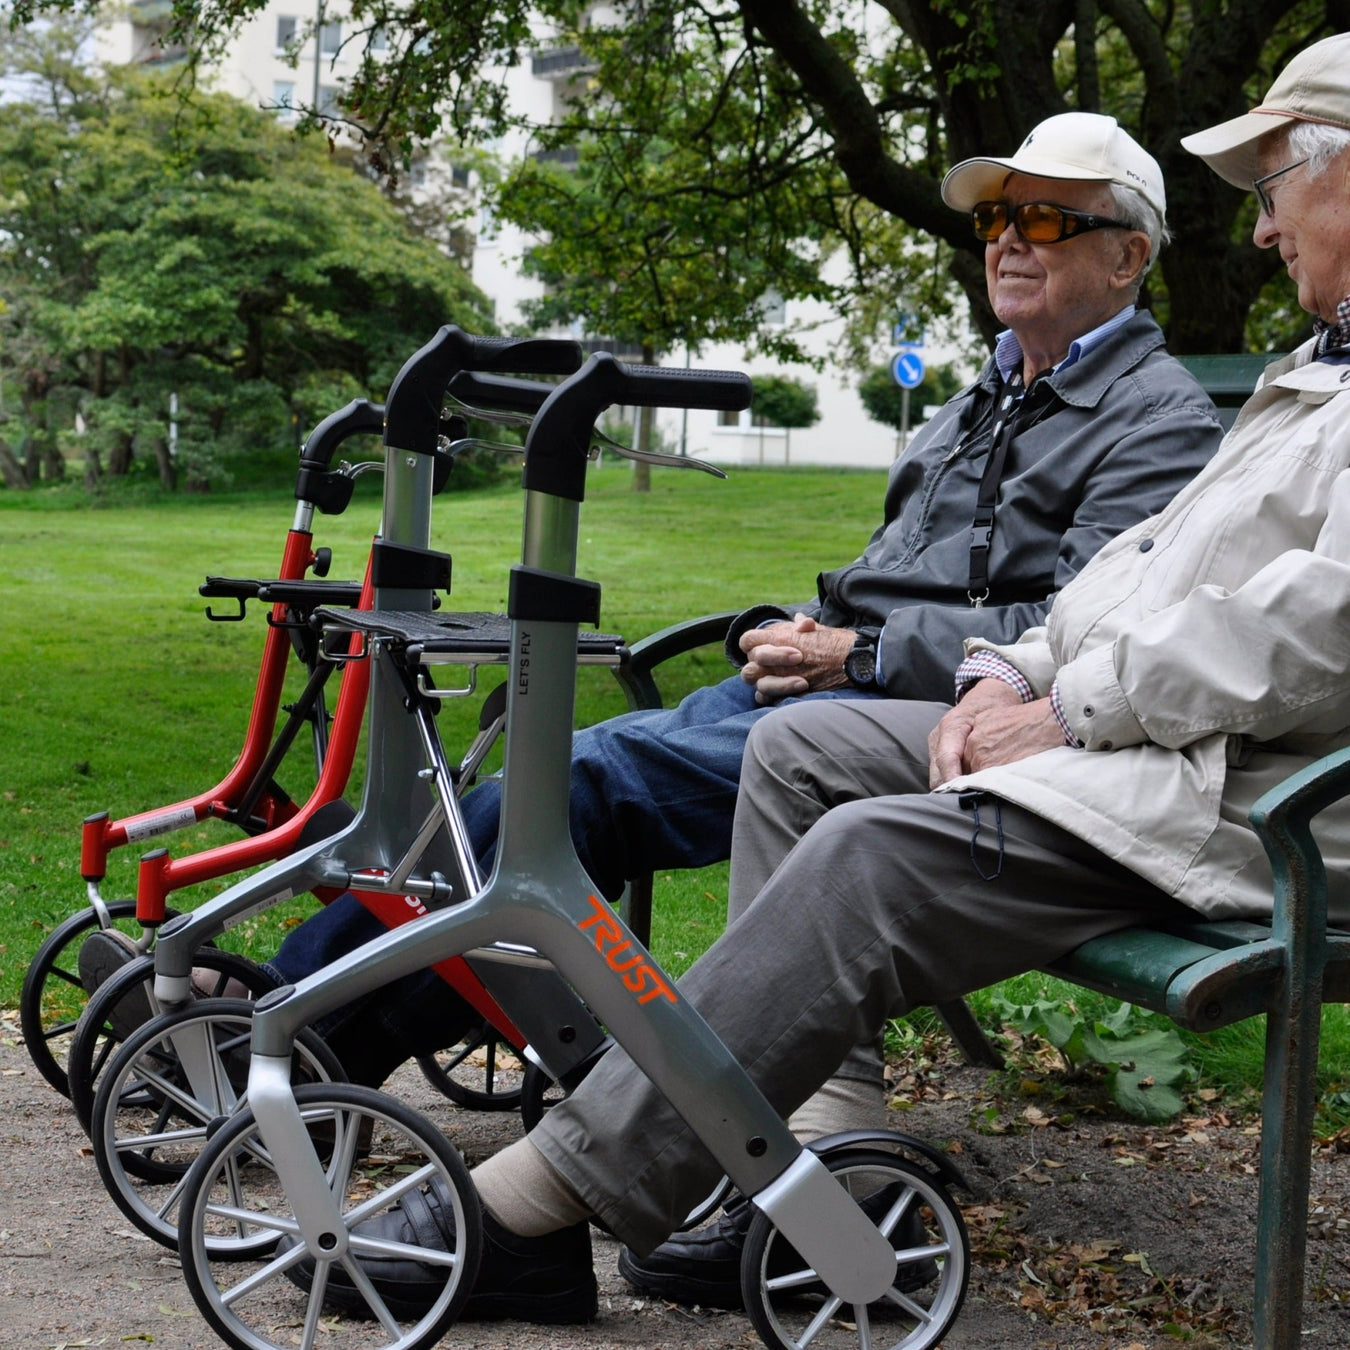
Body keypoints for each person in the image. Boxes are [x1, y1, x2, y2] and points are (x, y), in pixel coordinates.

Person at [279, 32, 1350, 1327]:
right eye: (1000, 217)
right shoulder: (1285, 382)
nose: (1256, 231)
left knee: (830, 844)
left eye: (1272, 182)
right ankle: (802, 1163)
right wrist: (1005, 668)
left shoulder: (1181, 407)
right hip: (1131, 738)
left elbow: (1305, 630)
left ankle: (539, 1197)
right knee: (785, 758)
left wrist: (1040, 694)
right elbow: (1133, 576)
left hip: (1244, 794)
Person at [252, 110, 1222, 1087]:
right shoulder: (983, 396)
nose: (1010, 238)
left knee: (577, 787)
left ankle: (301, 1037)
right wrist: (796, 628)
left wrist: (855, 654)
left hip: (945, 721)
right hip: (829, 686)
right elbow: (889, 573)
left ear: (1128, 255)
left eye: (1048, 218)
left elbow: (1075, 633)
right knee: (550, 776)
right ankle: (288, 1013)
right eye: (997, 221)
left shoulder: (1158, 423)